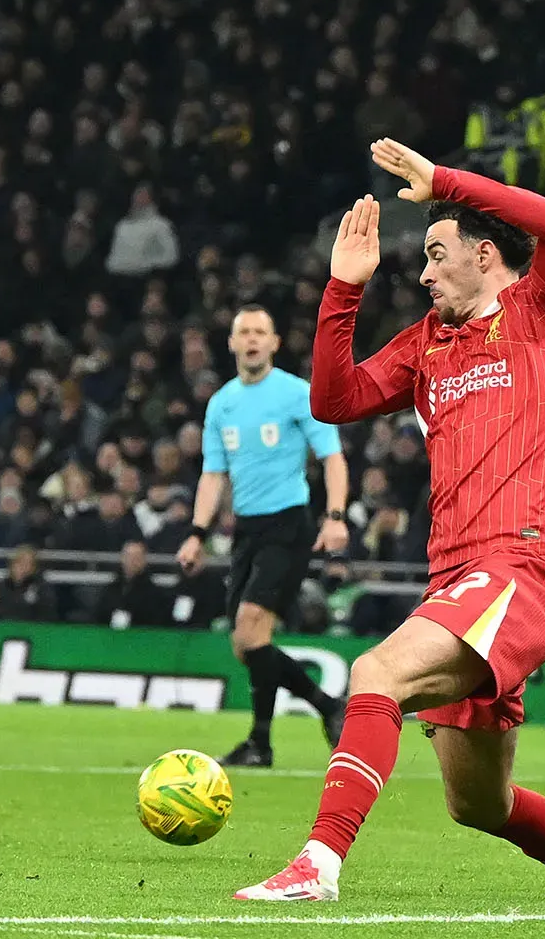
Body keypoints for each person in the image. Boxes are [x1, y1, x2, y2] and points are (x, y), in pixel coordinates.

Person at [239, 139, 545, 903]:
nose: (424, 273)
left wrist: (444, 184)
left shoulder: (541, 310)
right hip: (459, 577)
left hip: (523, 566)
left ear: (486, 253)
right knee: (479, 805)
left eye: (436, 254)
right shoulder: (427, 345)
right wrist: (342, 289)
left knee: (375, 673)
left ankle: (316, 866)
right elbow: (333, 401)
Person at [177, 305, 348, 769]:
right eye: (243, 333)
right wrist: (197, 533)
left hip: (289, 524)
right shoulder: (223, 404)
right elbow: (213, 475)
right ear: (231, 344)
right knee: (245, 643)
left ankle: (265, 739)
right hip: (246, 531)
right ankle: (322, 709)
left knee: (252, 627)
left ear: (274, 343)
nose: (251, 340)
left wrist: (335, 516)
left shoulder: (296, 394)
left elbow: (332, 456)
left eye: (260, 332)